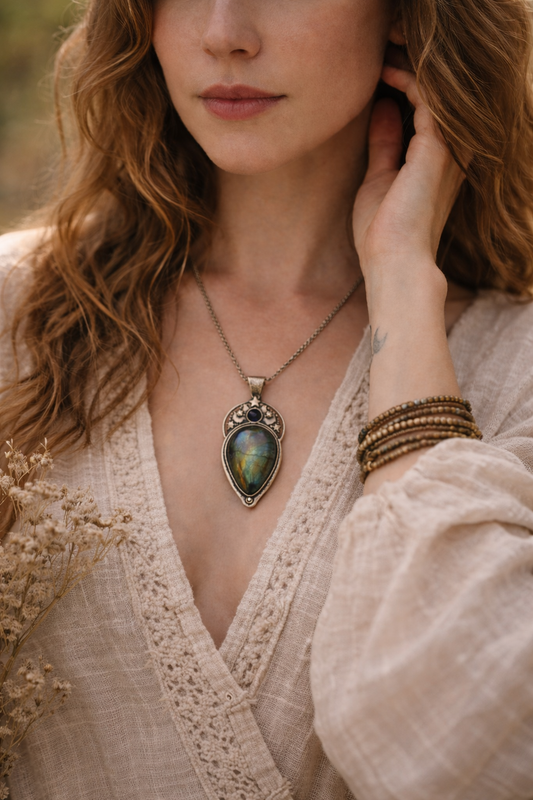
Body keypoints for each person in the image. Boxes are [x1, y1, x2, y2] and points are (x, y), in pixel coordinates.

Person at [1, 0, 533, 797]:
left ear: (401, 13)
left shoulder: (515, 369)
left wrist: (401, 286)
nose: (224, 33)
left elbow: (454, 755)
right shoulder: (16, 318)